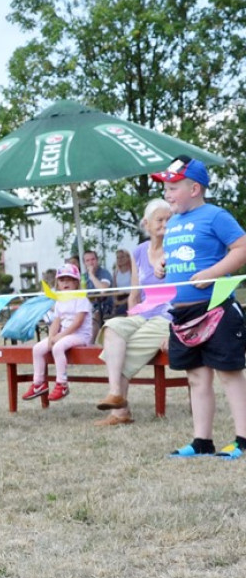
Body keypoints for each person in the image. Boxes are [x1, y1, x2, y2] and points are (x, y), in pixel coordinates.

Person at [149, 157, 246, 459]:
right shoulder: (174, 223)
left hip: (216, 308)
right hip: (183, 315)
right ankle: (202, 441)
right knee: (196, 377)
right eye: (165, 188)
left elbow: (242, 248)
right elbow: (177, 253)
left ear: (194, 188)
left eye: (172, 188)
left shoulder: (215, 216)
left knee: (229, 374)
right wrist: (162, 263)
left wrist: (213, 273)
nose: (167, 194)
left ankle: (243, 439)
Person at [94, 200, 173, 425]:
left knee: (121, 356)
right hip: (143, 313)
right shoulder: (138, 251)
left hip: (167, 316)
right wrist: (130, 319)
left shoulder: (176, 248)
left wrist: (174, 329)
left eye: (169, 219)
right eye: (160, 220)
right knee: (112, 327)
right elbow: (135, 292)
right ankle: (116, 395)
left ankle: (120, 412)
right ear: (146, 224)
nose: (165, 224)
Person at [21, 263, 92, 402]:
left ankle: (62, 384)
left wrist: (60, 336)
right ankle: (38, 383)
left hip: (80, 336)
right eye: (62, 280)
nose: (65, 283)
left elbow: (78, 322)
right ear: (57, 284)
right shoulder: (60, 300)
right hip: (64, 335)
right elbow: (56, 321)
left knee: (58, 347)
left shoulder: (81, 298)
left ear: (76, 283)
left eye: (69, 280)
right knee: (37, 349)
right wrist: (51, 337)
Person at [82, 249, 113, 342]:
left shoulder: (104, 273)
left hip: (104, 305)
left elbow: (103, 290)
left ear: (97, 260)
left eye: (93, 259)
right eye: (87, 260)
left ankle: (89, 344)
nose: (91, 263)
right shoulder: (83, 277)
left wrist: (92, 275)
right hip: (88, 305)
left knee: (95, 316)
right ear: (84, 263)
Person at [111, 248, 133, 317]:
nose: (120, 259)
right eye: (118, 258)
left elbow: (135, 290)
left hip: (130, 296)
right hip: (119, 297)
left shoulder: (132, 271)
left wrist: (123, 301)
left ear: (128, 258)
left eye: (122, 257)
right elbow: (114, 289)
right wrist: (115, 301)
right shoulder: (116, 273)